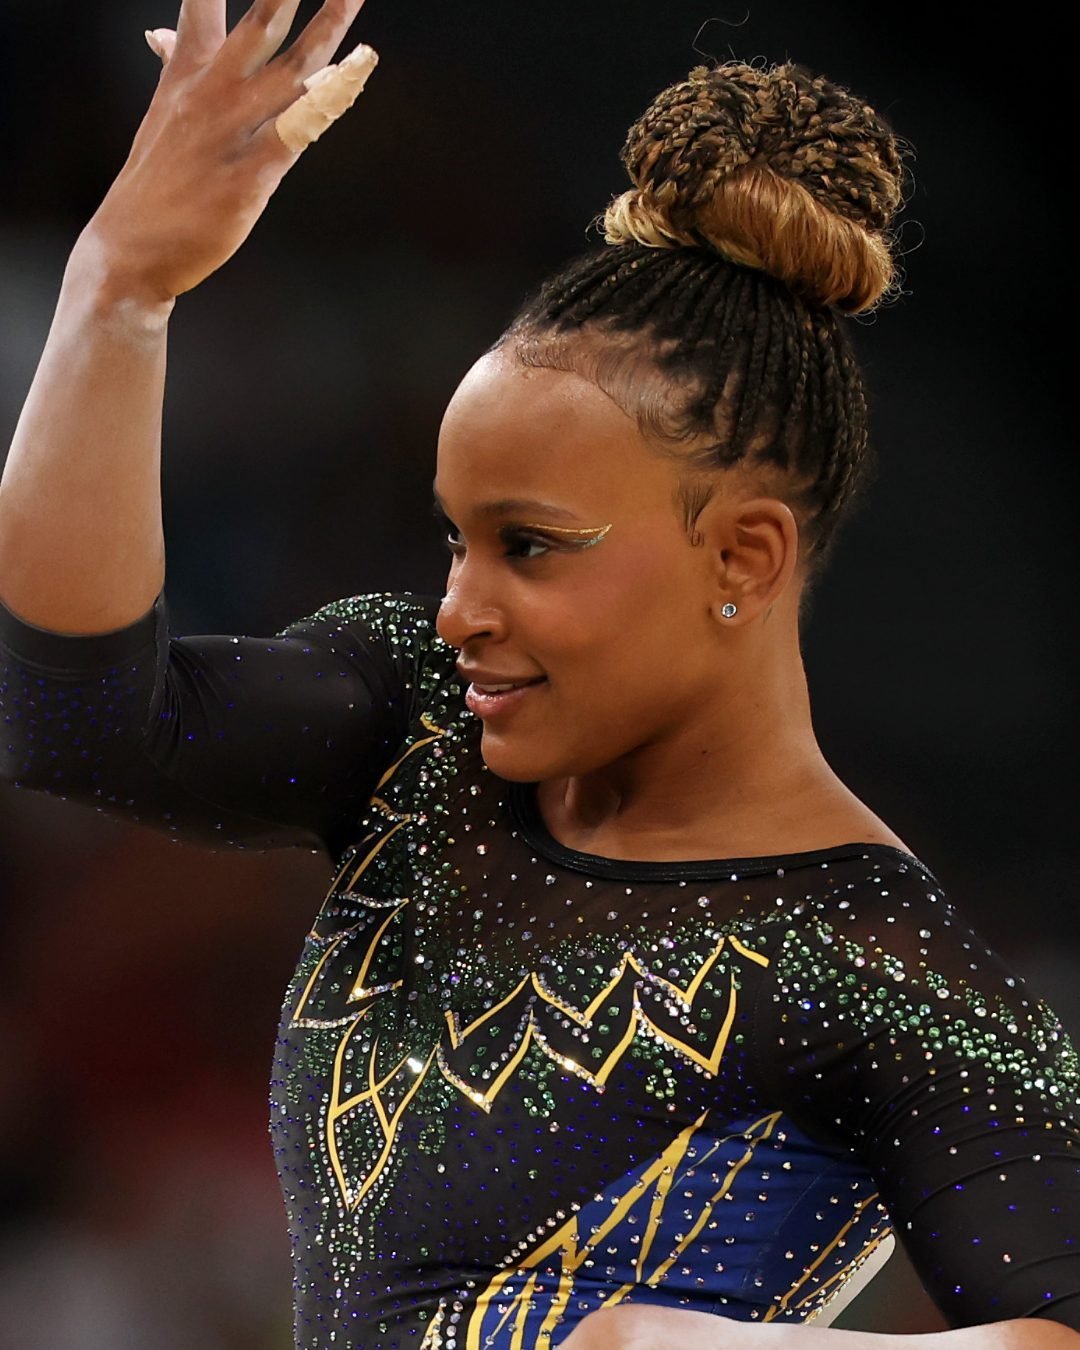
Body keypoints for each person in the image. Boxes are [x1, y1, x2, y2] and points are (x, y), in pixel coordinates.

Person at [0, 2, 1077, 1347]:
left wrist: (682, 1341)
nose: (459, 606)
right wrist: (121, 288)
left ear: (741, 555)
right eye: (456, 537)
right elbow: (80, 716)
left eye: (530, 548)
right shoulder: (419, 728)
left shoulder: (884, 972)